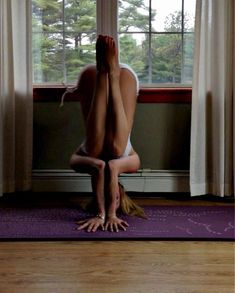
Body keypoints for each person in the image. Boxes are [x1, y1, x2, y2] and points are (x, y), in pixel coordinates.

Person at [69, 35, 146, 233]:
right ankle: (111, 75)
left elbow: (74, 161)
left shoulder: (93, 162)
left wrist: (97, 165)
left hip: (92, 83)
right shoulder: (130, 162)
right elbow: (112, 166)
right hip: (124, 78)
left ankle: (103, 73)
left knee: (94, 150)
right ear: (121, 193)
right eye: (117, 198)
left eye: (108, 197)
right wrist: (110, 214)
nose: (113, 197)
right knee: (118, 149)